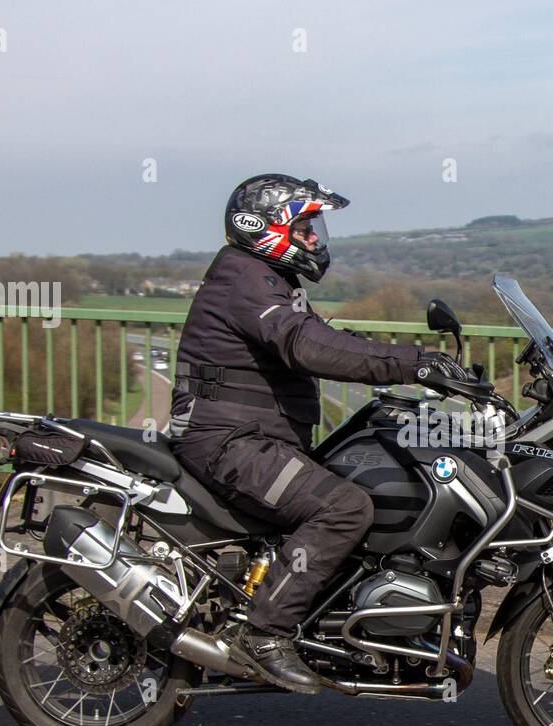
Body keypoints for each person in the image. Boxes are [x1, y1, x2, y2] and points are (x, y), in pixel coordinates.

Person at [168, 173, 472, 693]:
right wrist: (414, 364)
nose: (316, 240)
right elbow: (308, 347)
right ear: (266, 228)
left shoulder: (265, 280)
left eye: (316, 229)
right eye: (306, 228)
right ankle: (264, 634)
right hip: (229, 442)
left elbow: (324, 337)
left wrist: (417, 368)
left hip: (249, 437)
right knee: (344, 507)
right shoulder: (244, 279)